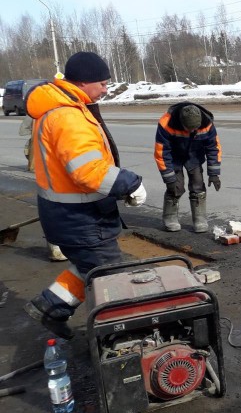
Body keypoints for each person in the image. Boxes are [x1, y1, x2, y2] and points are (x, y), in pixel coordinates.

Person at [23, 51, 146, 339]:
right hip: (81, 219)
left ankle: (49, 306)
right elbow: (88, 170)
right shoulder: (68, 116)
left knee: (87, 268)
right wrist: (129, 184)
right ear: (84, 82)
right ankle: (121, 336)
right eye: (102, 83)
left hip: (67, 214)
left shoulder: (63, 109)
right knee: (109, 275)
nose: (105, 89)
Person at [154, 102, 221, 233]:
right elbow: (161, 152)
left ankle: (199, 219)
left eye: (194, 129)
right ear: (181, 122)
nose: (191, 131)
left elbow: (213, 148)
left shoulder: (207, 124)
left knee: (198, 186)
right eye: (188, 129)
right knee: (175, 187)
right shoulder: (166, 123)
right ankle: (170, 218)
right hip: (174, 158)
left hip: (194, 156)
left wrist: (214, 173)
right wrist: (169, 178)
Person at [19, 114, 68, 262]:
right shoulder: (48, 113)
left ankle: (57, 246)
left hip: (51, 169)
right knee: (55, 205)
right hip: (52, 169)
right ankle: (56, 247)